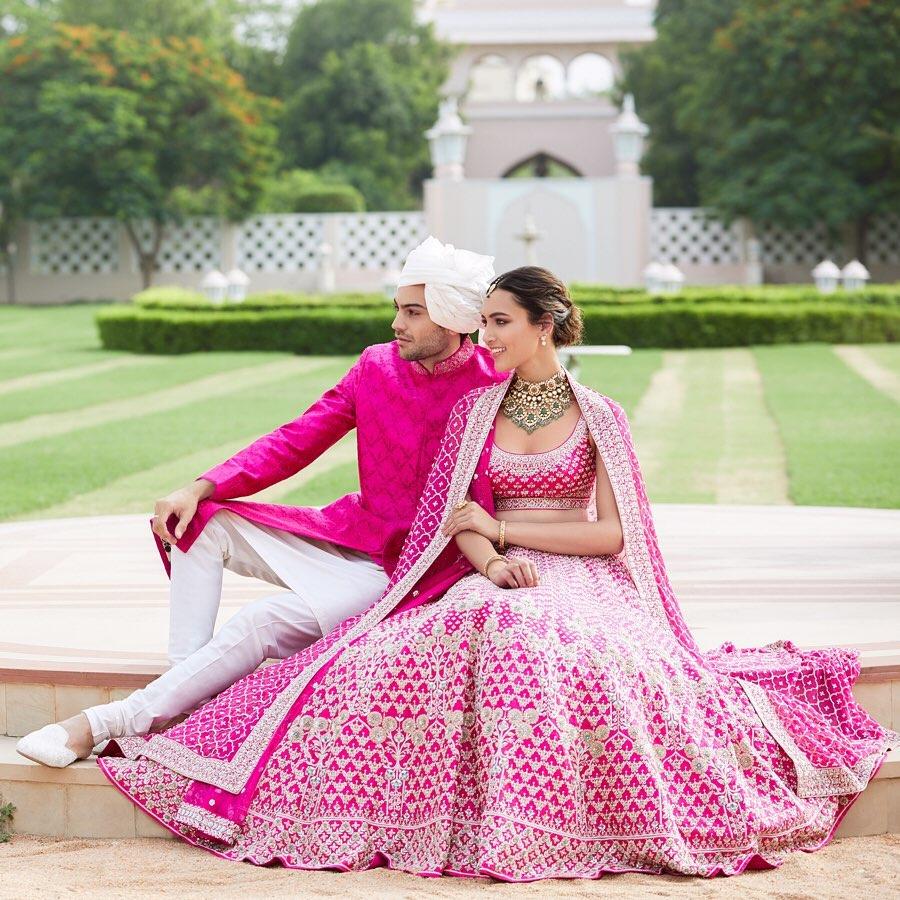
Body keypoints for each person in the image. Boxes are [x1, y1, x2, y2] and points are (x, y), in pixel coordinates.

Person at [69, 268, 900, 879]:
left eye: (501, 323)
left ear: (545, 325)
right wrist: (490, 557)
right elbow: (450, 521)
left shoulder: (597, 414)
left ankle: (543, 820)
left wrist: (504, 531)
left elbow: (611, 534)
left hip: (578, 573)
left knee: (539, 634)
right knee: (439, 637)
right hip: (493, 572)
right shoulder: (476, 410)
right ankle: (450, 816)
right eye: (485, 322)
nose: (488, 338)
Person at [15, 235, 506, 768]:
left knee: (262, 622)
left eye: (413, 312)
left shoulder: (497, 385)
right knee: (199, 521)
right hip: (353, 537)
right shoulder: (376, 366)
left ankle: (103, 723)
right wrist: (202, 485)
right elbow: (300, 436)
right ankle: (184, 689)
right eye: (397, 309)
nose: (396, 323)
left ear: (454, 319)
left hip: (412, 574)